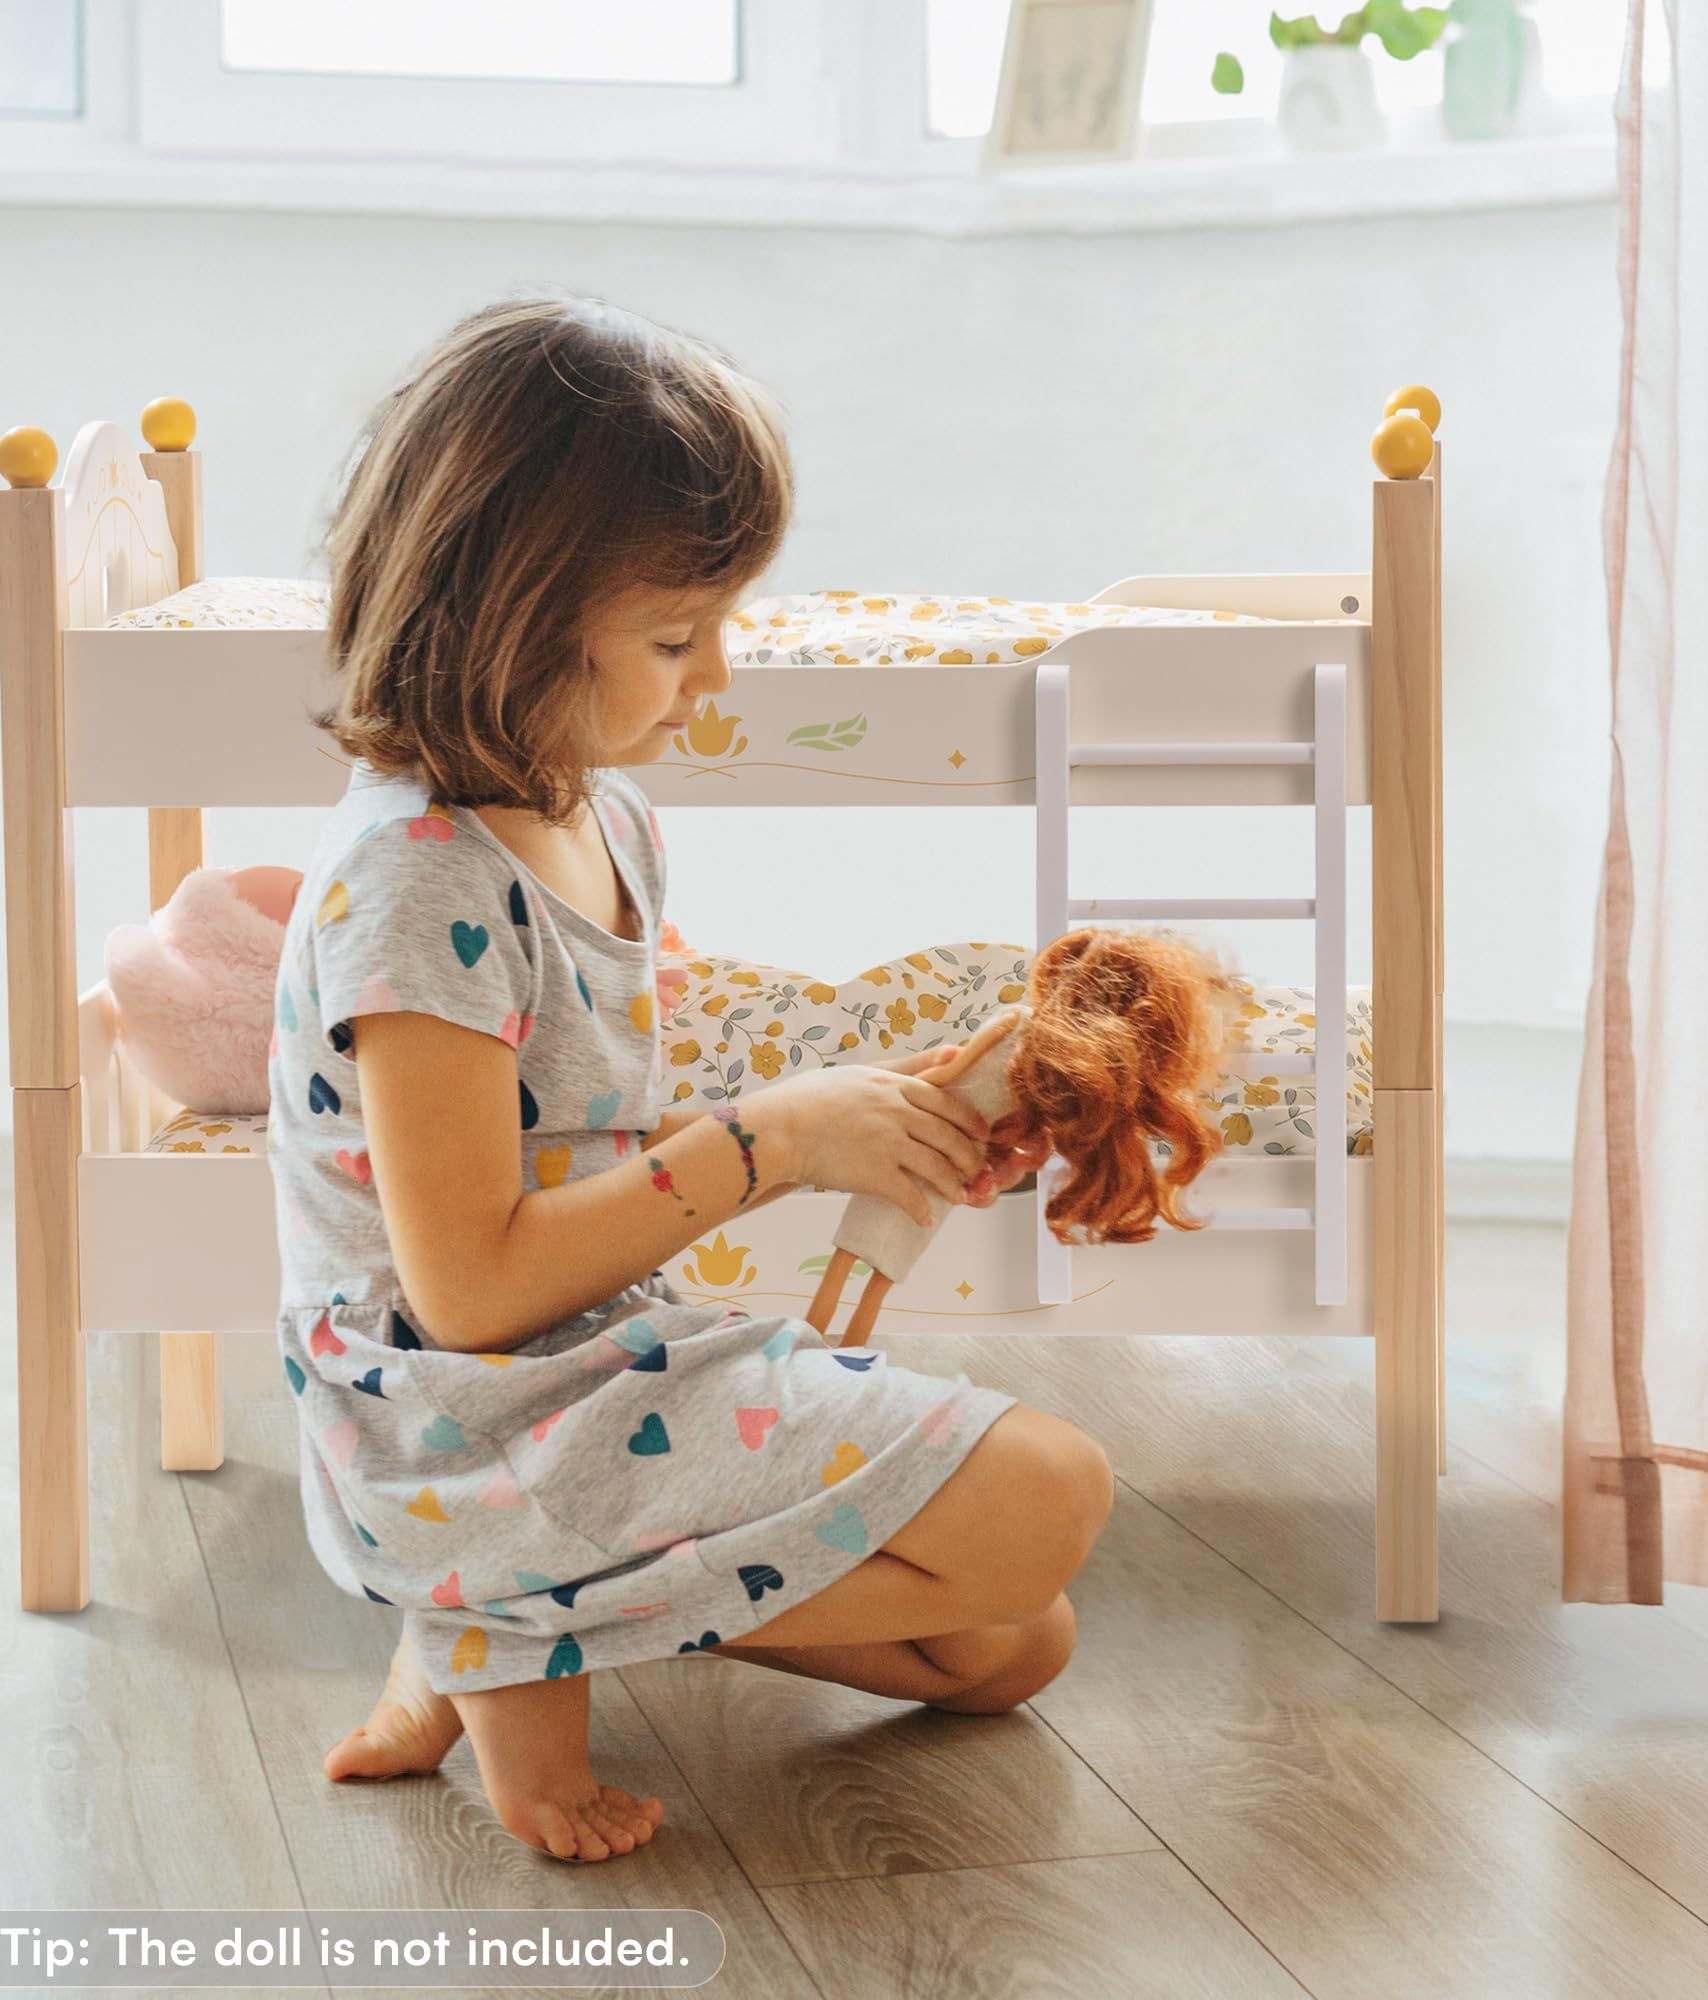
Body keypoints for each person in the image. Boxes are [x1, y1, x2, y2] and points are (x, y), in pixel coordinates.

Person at [266, 296, 1116, 1864]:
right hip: (467, 1416)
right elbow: (466, 1294)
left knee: (1012, 1644)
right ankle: (490, 1618)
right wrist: (778, 1140)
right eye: (676, 637)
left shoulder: (610, 819)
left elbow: (599, 1128)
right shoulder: (415, 880)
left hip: (589, 1365)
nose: (717, 675)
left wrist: (883, 1112)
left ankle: (506, 1615)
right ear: (511, 615)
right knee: (1048, 1495)